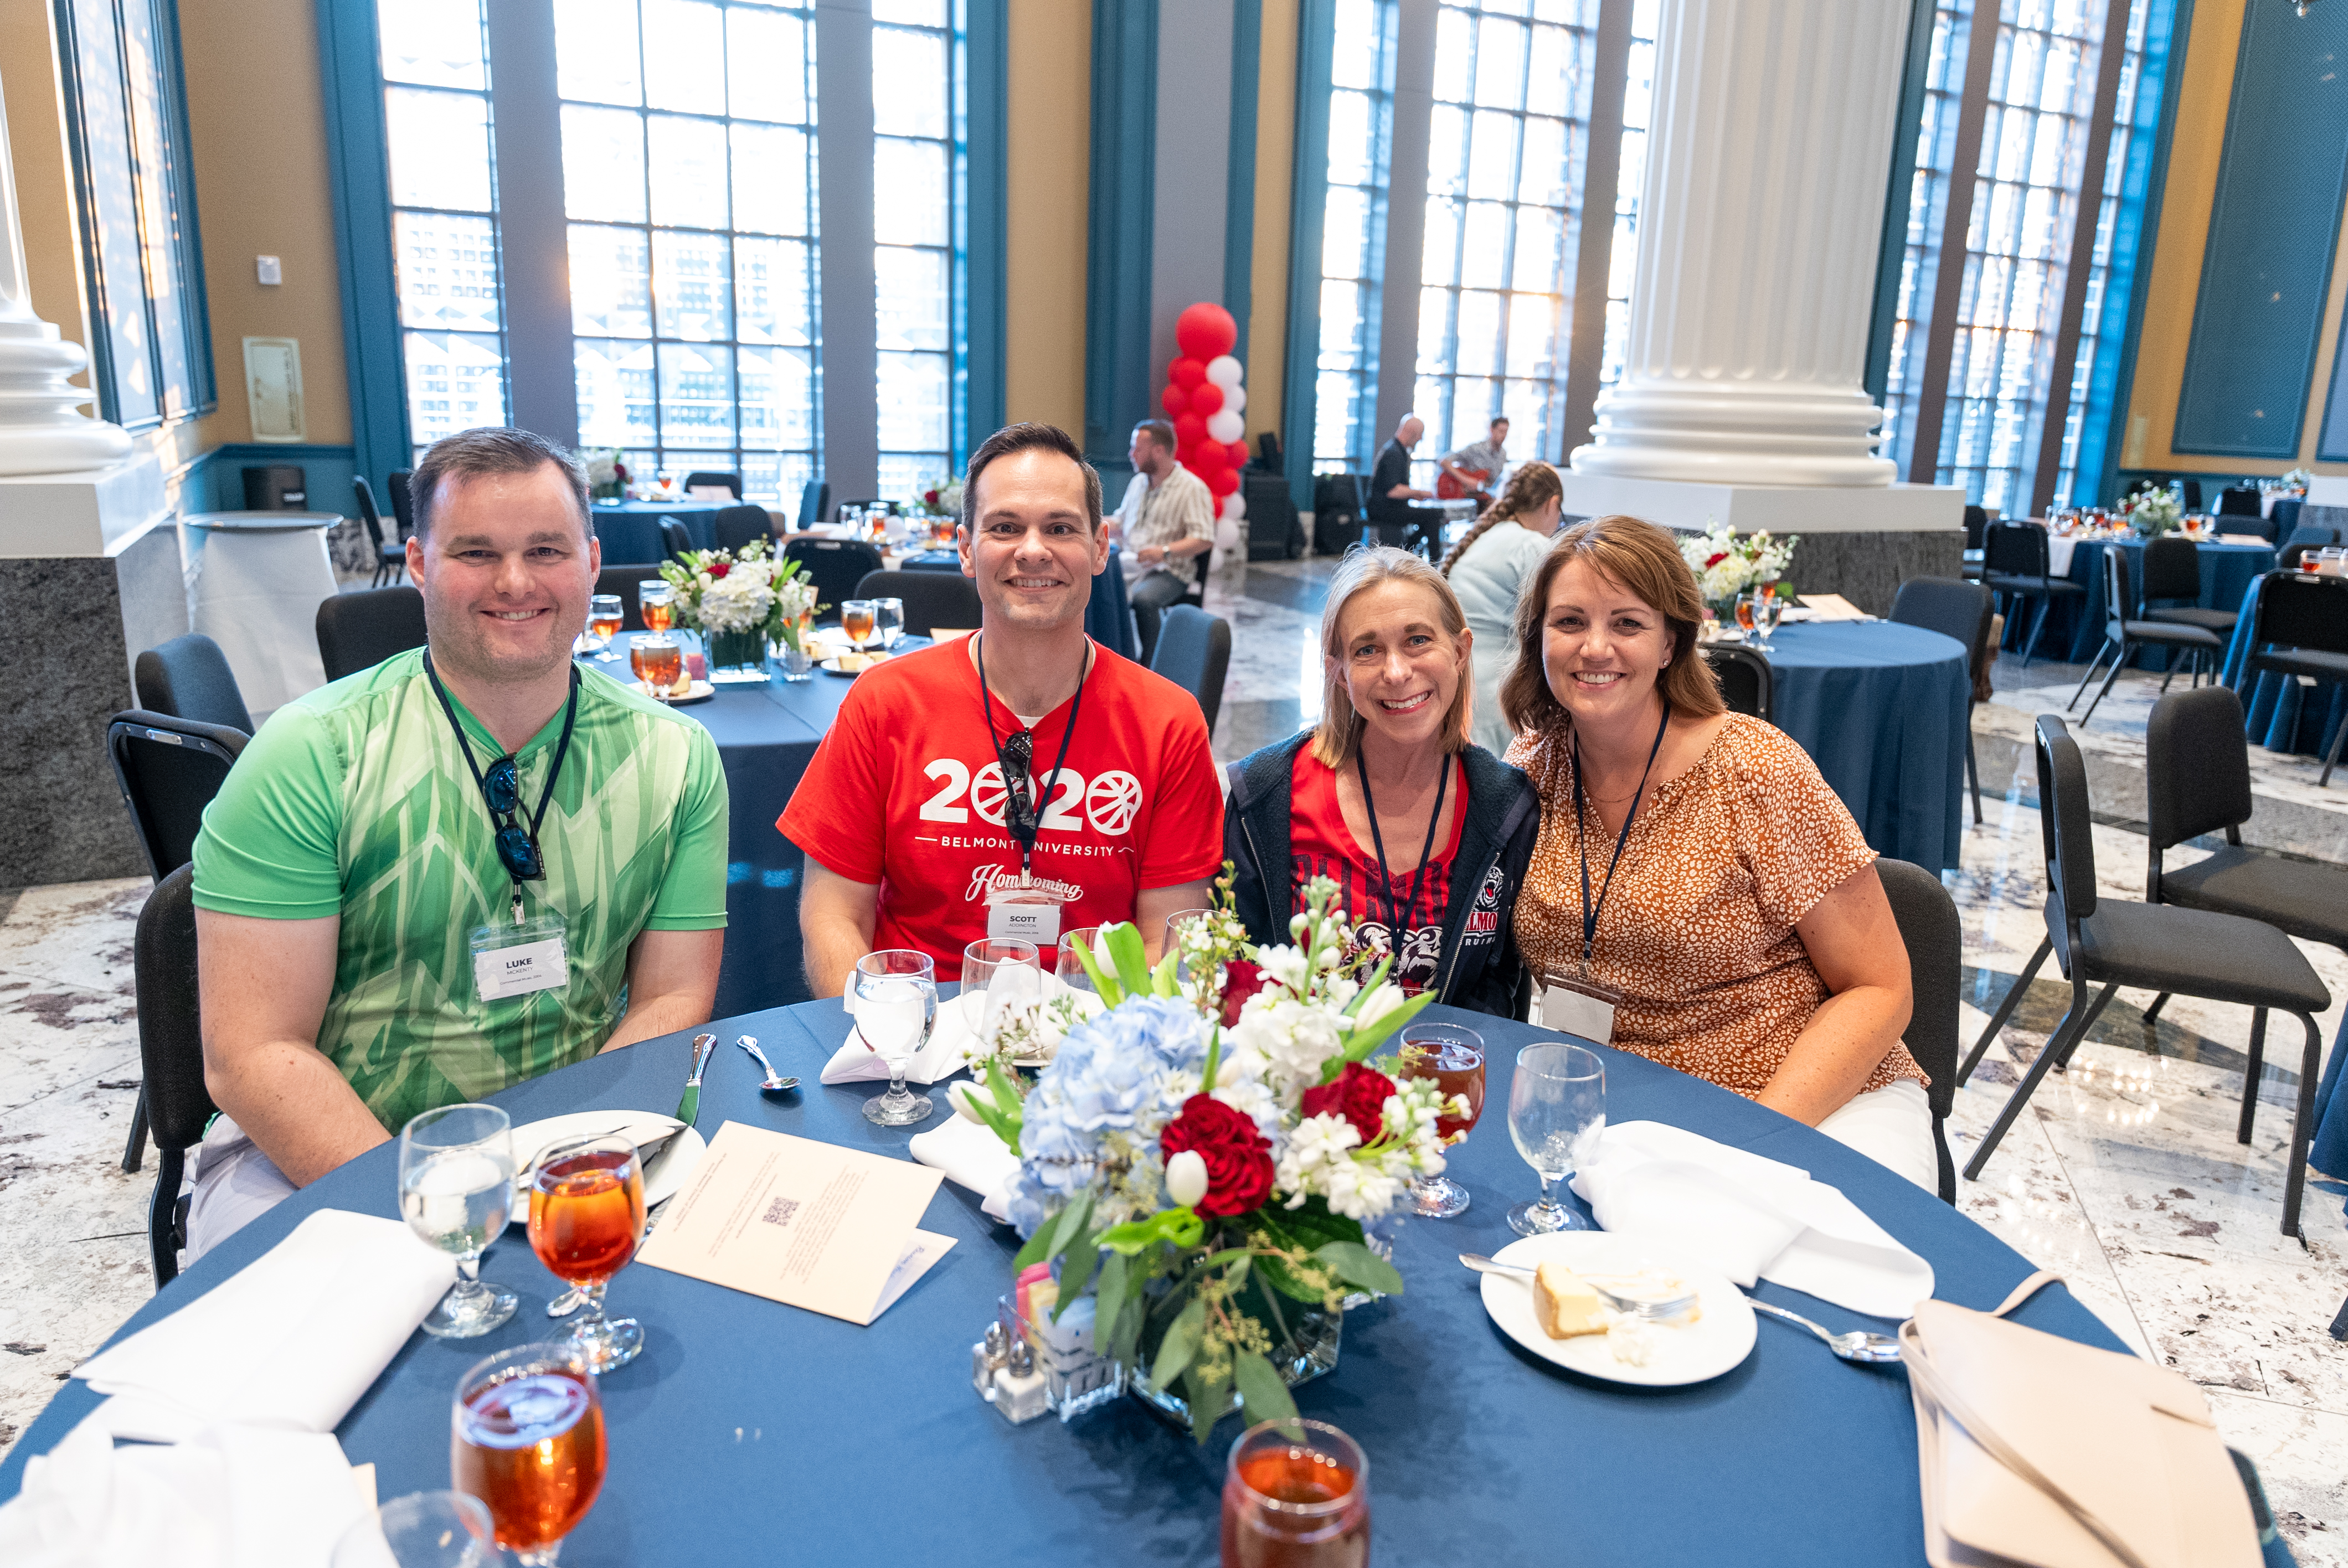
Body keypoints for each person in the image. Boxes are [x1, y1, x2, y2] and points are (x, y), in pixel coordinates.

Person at [187, 427, 730, 1257]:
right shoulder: (313, 755)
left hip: (574, 1146)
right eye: (476, 553)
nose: (516, 583)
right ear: (417, 562)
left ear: (590, 562)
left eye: (546, 550)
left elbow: (670, 1000)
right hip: (323, 1157)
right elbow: (254, 1054)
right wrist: (441, 1216)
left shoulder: (674, 756)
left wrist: (568, 1181)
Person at [1500, 514, 1932, 1188]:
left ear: (1671, 642)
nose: (1594, 647)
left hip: (1805, 1099)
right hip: (1623, 1104)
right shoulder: (1530, 765)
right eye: (1569, 622)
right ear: (1537, 638)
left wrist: (1756, 1141)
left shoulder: (1755, 770)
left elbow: (1881, 987)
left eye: (1626, 624)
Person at [782, 422, 1227, 994]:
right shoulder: (883, 703)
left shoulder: (1168, 722)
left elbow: (1165, 943)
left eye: (1060, 528)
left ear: (1098, 548)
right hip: (918, 1034)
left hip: (1089, 1042)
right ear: (967, 550)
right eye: (1005, 527)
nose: (1033, 550)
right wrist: (890, 1039)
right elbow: (832, 916)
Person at [1225, 546, 1537, 1015]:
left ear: (1460, 650)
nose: (1396, 672)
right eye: (1367, 650)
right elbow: (1237, 971)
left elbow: (1500, 986)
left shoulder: (1506, 807)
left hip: (1440, 1078)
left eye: (1417, 640)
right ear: (1339, 673)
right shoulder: (1268, 793)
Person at [1441, 461, 1565, 757]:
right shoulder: (1532, 545)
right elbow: (1551, 624)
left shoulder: (1485, 535)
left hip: (1459, 676)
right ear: (1553, 504)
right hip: (1496, 686)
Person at [1110, 418, 1216, 666]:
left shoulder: (1192, 488)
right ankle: (1119, 658)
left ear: (1158, 451)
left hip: (1171, 570)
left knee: (1144, 599)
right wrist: (1089, 523)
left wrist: (1164, 552)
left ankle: (1154, 665)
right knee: (1099, 585)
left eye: (1138, 448)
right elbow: (1120, 521)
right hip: (1135, 562)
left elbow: (1204, 538)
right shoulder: (1139, 482)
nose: (1131, 454)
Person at [1367, 413, 1438, 559]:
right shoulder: (1394, 453)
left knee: (1430, 516)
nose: (1421, 439)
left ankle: (1408, 549)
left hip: (1390, 507)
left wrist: (1413, 494)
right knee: (1433, 515)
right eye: (1420, 434)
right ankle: (1435, 560)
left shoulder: (1397, 450)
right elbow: (1393, 491)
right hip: (1384, 509)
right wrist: (1421, 493)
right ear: (1412, 432)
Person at [1438, 415, 1510, 506]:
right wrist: (1466, 480)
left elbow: (1493, 484)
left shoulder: (1503, 455)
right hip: (1467, 500)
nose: (1503, 435)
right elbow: (1444, 461)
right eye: (1501, 431)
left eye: (1506, 432)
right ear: (1492, 430)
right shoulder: (1476, 449)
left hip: (1486, 499)